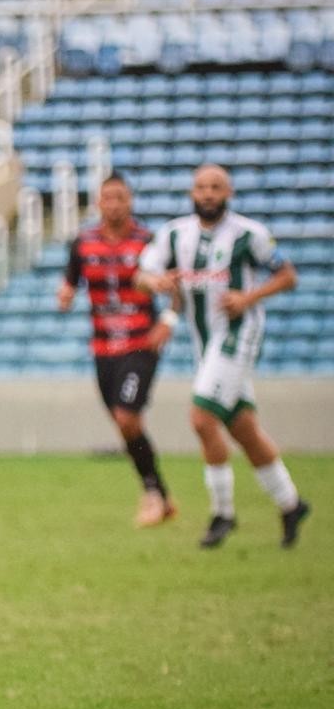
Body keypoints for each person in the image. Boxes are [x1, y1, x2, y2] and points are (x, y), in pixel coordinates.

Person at [136, 163, 310, 549]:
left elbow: (288, 275)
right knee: (243, 427)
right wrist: (157, 282)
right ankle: (291, 503)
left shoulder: (250, 234)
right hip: (204, 342)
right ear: (192, 193)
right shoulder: (176, 234)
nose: (208, 193)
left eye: (216, 187)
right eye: (202, 187)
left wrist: (248, 297)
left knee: (201, 417)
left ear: (228, 193)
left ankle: (223, 513)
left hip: (239, 334)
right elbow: (141, 274)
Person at [57, 171, 177, 527]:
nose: (113, 204)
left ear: (130, 201)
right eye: (107, 197)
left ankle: (153, 495)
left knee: (127, 417)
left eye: (120, 198)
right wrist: (64, 295)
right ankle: (163, 496)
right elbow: (69, 282)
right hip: (103, 349)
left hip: (141, 343)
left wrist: (168, 321)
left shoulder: (149, 241)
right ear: (98, 202)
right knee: (125, 425)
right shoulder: (82, 242)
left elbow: (176, 285)